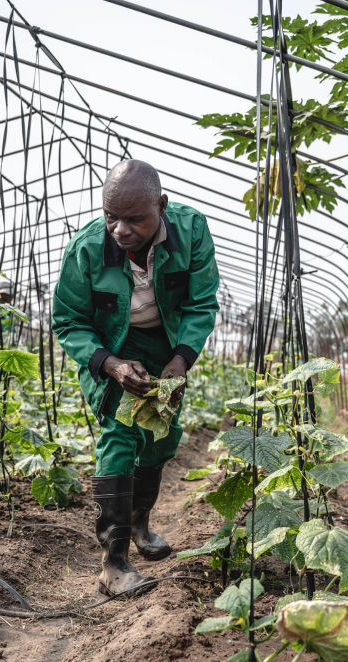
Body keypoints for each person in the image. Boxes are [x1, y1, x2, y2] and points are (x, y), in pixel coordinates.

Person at [51, 160, 220, 596]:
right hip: (110, 348)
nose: (120, 229)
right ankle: (114, 561)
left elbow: (201, 303)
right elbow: (68, 321)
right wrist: (111, 364)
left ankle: (141, 524)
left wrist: (181, 359)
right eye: (111, 217)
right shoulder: (86, 249)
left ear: (160, 206)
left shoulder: (190, 231)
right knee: (121, 434)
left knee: (162, 435)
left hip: (165, 345)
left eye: (133, 218)